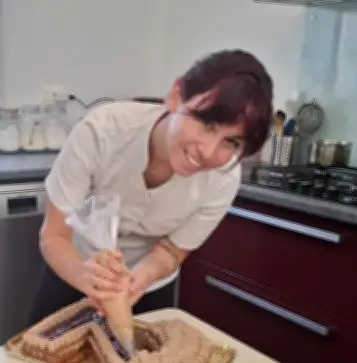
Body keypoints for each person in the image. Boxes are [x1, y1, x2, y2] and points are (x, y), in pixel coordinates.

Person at [29, 49, 273, 323]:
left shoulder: (223, 179)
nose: (208, 151)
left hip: (148, 288)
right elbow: (54, 236)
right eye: (207, 123)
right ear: (176, 97)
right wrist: (86, 276)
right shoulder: (102, 131)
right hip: (73, 267)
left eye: (232, 142)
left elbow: (172, 250)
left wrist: (138, 279)